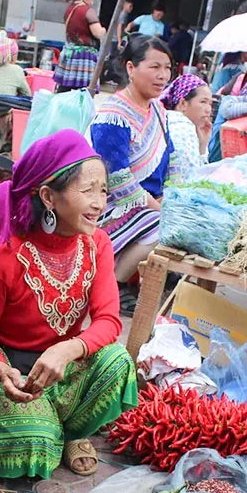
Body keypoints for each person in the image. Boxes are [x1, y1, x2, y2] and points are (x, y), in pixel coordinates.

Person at [0, 130, 138, 479]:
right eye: (87, 191)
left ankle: (70, 431)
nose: (99, 203)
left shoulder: (97, 245)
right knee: (33, 442)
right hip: (8, 369)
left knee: (117, 362)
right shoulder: (5, 255)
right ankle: (46, 426)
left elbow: (109, 320)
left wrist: (69, 350)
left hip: (61, 367)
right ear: (49, 196)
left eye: (103, 191)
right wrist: (1, 371)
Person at [89, 35, 174, 316]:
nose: (163, 76)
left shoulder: (159, 110)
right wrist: (159, 207)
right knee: (164, 225)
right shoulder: (113, 115)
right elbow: (117, 179)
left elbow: (168, 158)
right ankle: (114, 284)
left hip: (148, 200)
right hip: (110, 204)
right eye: (155, 67)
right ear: (130, 68)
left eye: (168, 68)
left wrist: (172, 196)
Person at [160, 74, 213, 182]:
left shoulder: (168, 119)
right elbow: (189, 180)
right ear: (183, 104)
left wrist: (202, 145)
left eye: (210, 104)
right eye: (203, 102)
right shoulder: (182, 126)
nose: (208, 109)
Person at [54, 0, 107, 92]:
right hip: (83, 57)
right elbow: (98, 33)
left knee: (64, 88)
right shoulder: (87, 11)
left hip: (70, 54)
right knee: (84, 91)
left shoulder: (70, 9)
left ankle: (59, 106)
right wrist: (104, 29)